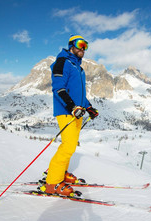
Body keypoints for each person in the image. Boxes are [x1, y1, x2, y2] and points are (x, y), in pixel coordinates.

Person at [40, 35, 99, 196]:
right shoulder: (62, 62)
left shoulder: (78, 68)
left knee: (70, 146)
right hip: (66, 111)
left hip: (76, 113)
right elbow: (58, 88)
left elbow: (78, 94)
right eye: (80, 44)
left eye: (85, 46)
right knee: (68, 147)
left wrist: (89, 107)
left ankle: (61, 172)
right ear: (71, 45)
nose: (82, 48)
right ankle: (52, 182)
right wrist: (72, 107)